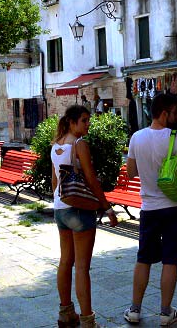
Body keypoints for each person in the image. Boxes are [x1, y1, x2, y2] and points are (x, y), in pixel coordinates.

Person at [124, 92, 177, 326]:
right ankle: (165, 312)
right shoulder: (175, 137)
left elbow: (131, 172)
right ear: (164, 112)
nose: (175, 116)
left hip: (148, 208)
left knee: (144, 259)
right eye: (173, 112)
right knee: (170, 260)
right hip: (174, 207)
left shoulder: (136, 138)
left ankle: (135, 310)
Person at [52, 104, 118, 328]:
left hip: (60, 209)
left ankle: (65, 313)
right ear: (72, 122)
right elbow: (90, 179)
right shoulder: (79, 144)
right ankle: (88, 320)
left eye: (88, 120)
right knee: (81, 267)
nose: (88, 124)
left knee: (65, 261)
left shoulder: (56, 146)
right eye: (84, 120)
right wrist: (107, 207)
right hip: (79, 210)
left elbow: (55, 183)